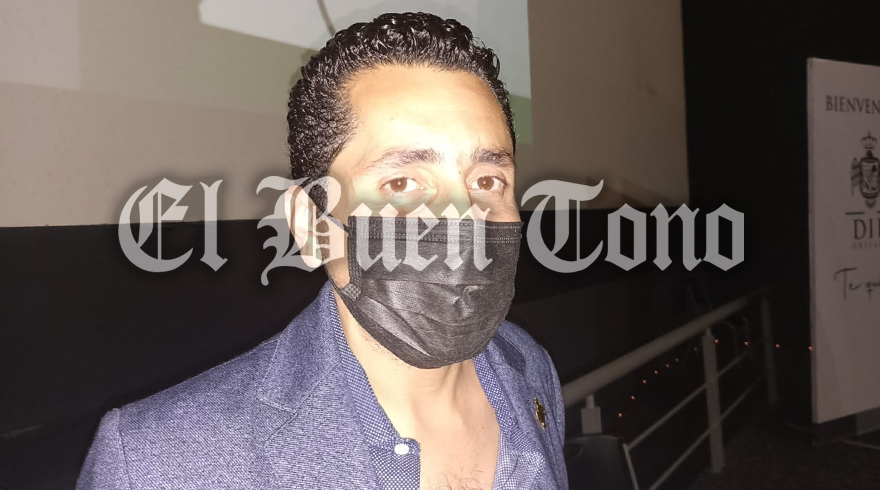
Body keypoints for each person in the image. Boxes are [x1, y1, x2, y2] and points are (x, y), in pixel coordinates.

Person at [77, 12, 568, 490]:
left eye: (488, 181)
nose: (465, 216)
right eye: (402, 183)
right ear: (312, 225)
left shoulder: (529, 366)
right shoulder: (155, 463)